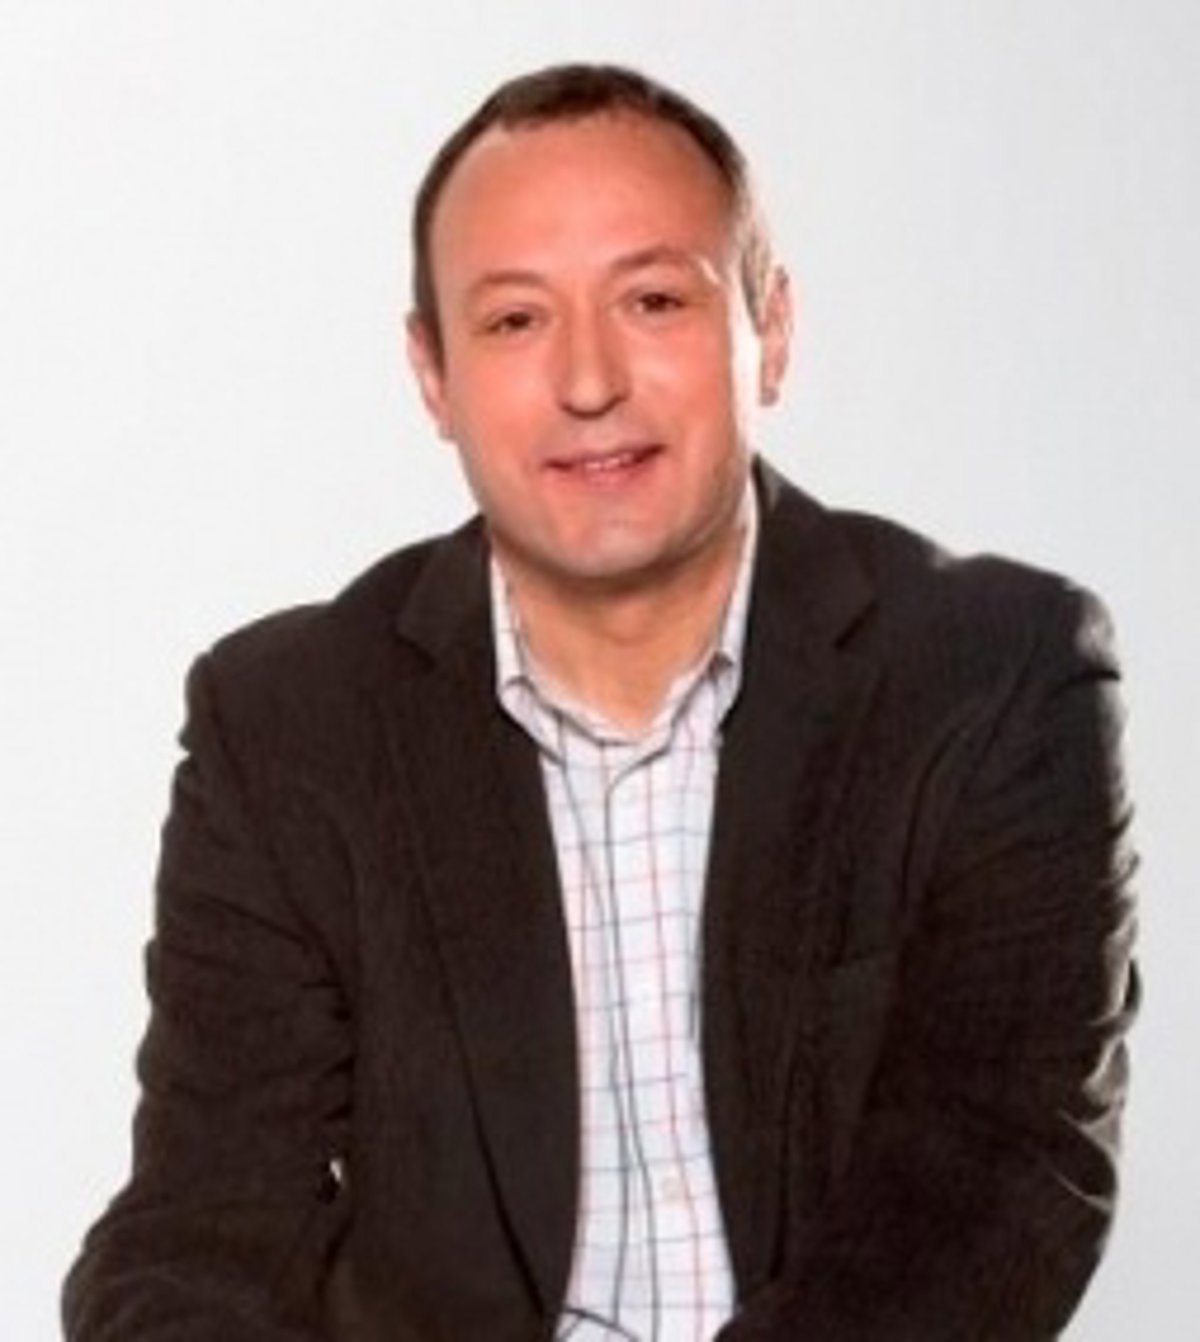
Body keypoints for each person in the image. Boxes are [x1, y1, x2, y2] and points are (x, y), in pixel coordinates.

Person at [63, 63, 1138, 1341]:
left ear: (770, 330)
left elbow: (991, 1185)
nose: (587, 381)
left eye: (653, 300)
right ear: (432, 375)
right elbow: (204, 1223)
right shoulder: (288, 724)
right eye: (515, 320)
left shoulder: (993, 676)